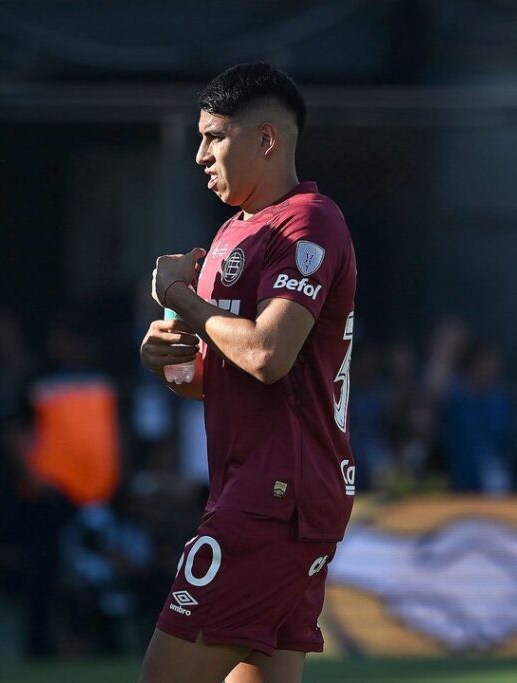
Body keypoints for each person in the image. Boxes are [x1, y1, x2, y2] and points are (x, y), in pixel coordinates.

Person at [137, 63, 357, 683]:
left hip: (276, 497)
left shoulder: (307, 222)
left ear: (265, 140)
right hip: (262, 490)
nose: (201, 155)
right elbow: (217, 373)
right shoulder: (233, 233)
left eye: (214, 137)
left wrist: (182, 299)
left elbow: (267, 355)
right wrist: (169, 360)